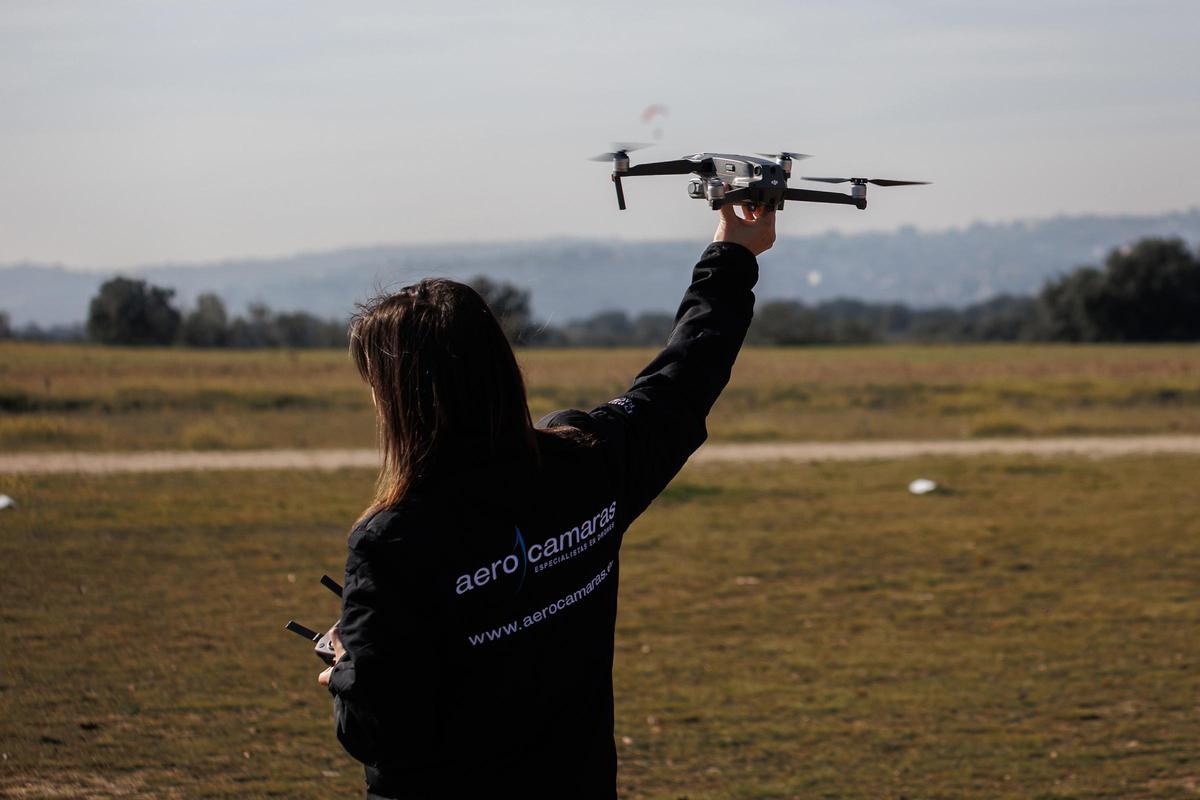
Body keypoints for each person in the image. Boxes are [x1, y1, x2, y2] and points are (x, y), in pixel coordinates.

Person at [319, 204, 776, 799]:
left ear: (400, 401)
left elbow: (377, 727)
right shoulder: (586, 461)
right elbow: (683, 380)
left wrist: (346, 667)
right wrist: (733, 252)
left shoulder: (392, 544)